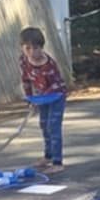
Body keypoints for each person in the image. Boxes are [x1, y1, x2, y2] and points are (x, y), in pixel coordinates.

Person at [19, 26, 69, 172]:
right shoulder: (23, 60)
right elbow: (26, 79)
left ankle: (58, 163)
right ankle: (48, 156)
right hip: (42, 96)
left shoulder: (49, 65)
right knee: (43, 125)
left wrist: (38, 100)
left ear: (41, 47)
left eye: (36, 48)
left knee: (53, 127)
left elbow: (53, 87)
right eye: (27, 48)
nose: (32, 52)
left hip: (56, 96)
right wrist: (30, 99)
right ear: (22, 47)